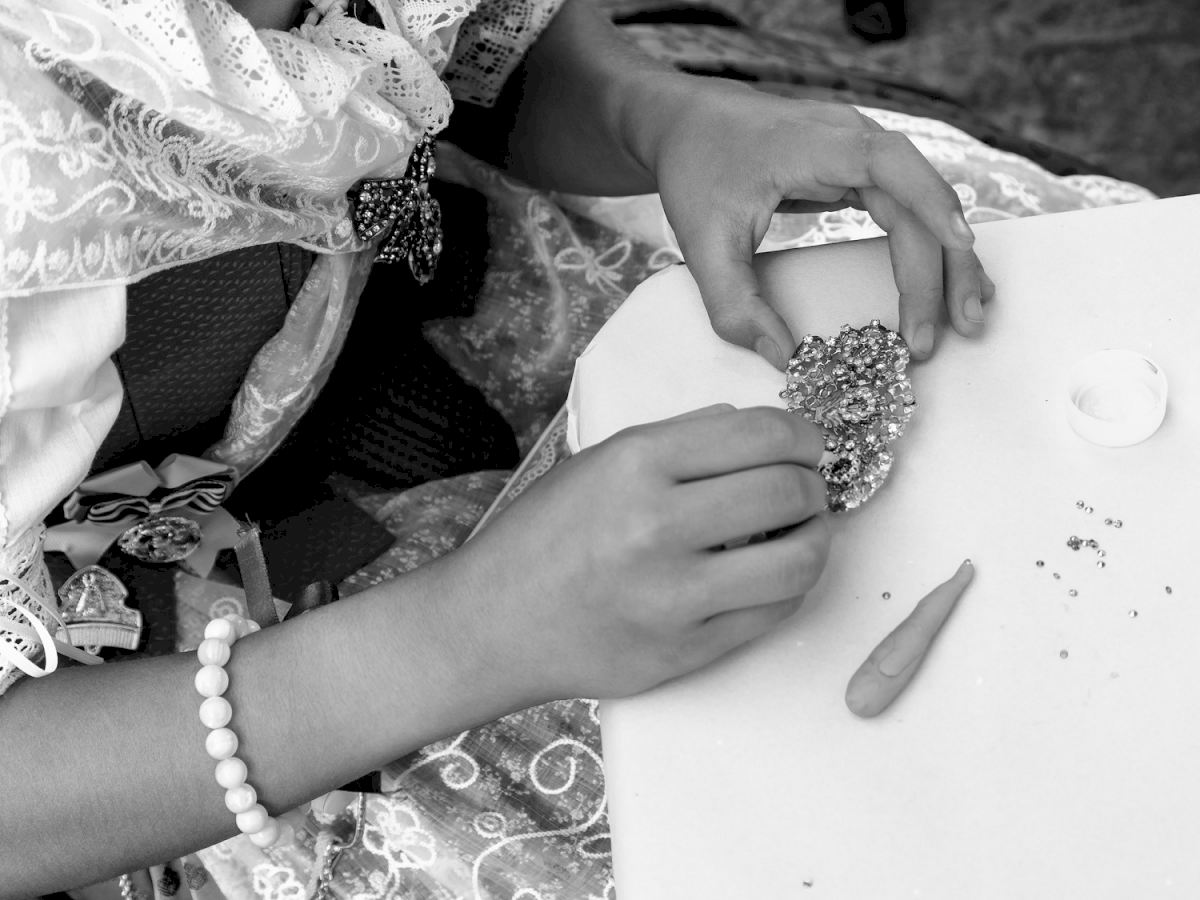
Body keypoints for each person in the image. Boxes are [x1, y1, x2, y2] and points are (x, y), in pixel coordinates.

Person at [0, 0, 1152, 897]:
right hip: (185, 697)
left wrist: (661, 120)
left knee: (1050, 304)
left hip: (407, 277)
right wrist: (468, 639)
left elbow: (480, 55)